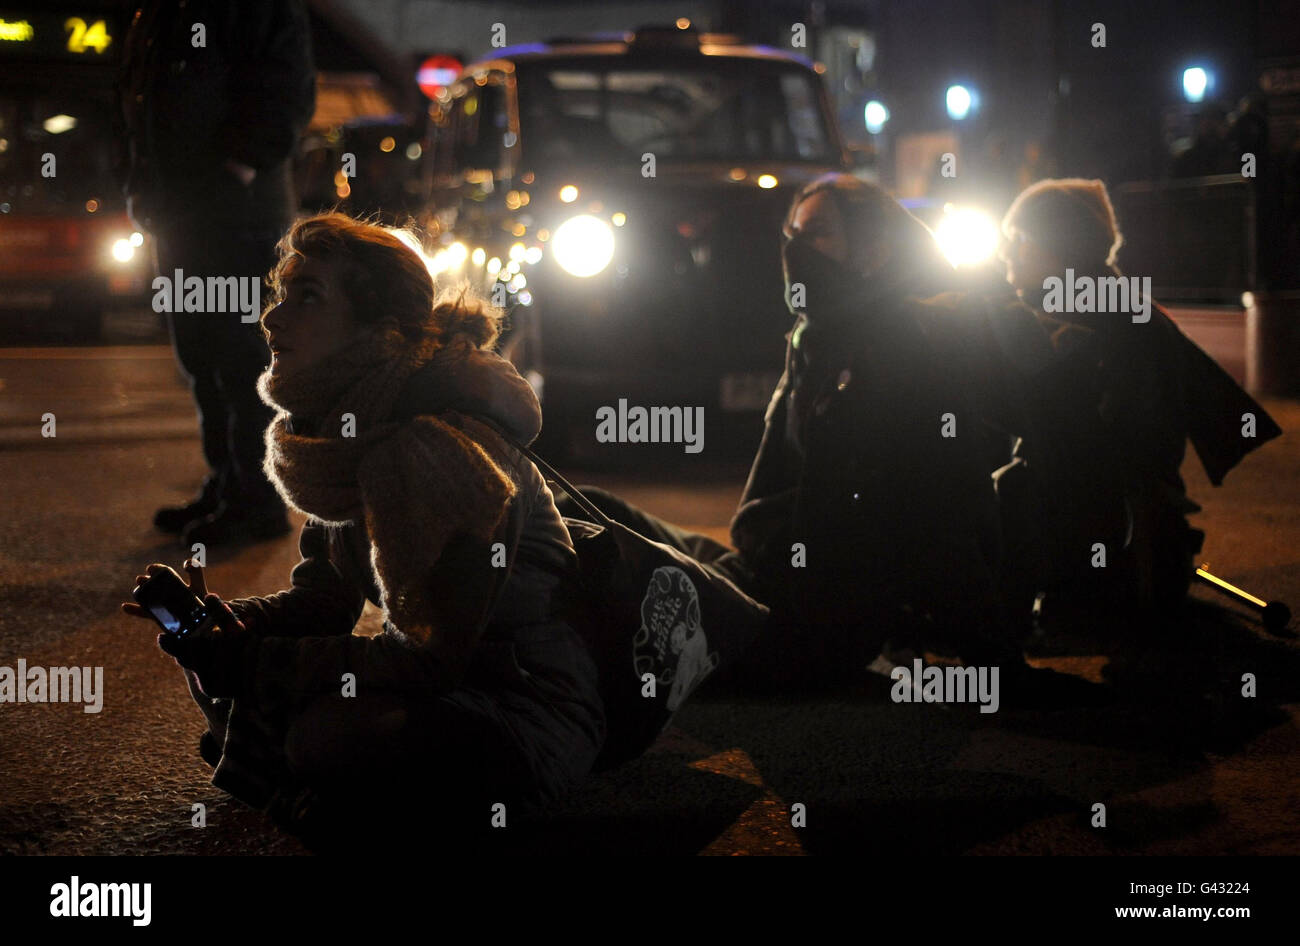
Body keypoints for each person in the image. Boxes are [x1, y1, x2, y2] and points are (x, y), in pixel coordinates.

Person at [121, 214, 604, 846]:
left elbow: (427, 659)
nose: (271, 318)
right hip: (456, 690)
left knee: (323, 735)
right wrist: (227, 625)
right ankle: (317, 789)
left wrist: (254, 662)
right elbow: (324, 600)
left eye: (307, 297)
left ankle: (329, 795)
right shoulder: (351, 427)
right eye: (280, 295)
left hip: (525, 705)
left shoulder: (432, 449)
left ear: (379, 329)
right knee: (225, 671)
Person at [561, 174, 1064, 694]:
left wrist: (994, 663)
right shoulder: (816, 339)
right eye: (793, 235)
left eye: (818, 233)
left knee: (601, 561)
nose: (796, 250)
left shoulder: (903, 349)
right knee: (581, 505)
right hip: (755, 575)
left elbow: (947, 508)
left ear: (873, 249)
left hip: (799, 621)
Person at [996, 178, 1282, 622]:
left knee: (1009, 484)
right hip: (1119, 540)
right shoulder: (1098, 306)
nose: (1005, 253)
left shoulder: (1117, 324)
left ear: (1058, 244)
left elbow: (1114, 456)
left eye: (1018, 238)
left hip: (1127, 552)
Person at [118, 0, 316, 545]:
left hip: (234, 214)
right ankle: (230, 482)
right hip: (186, 211)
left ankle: (254, 499)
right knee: (202, 356)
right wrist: (144, 185)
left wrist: (237, 169)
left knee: (239, 357)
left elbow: (285, 87)